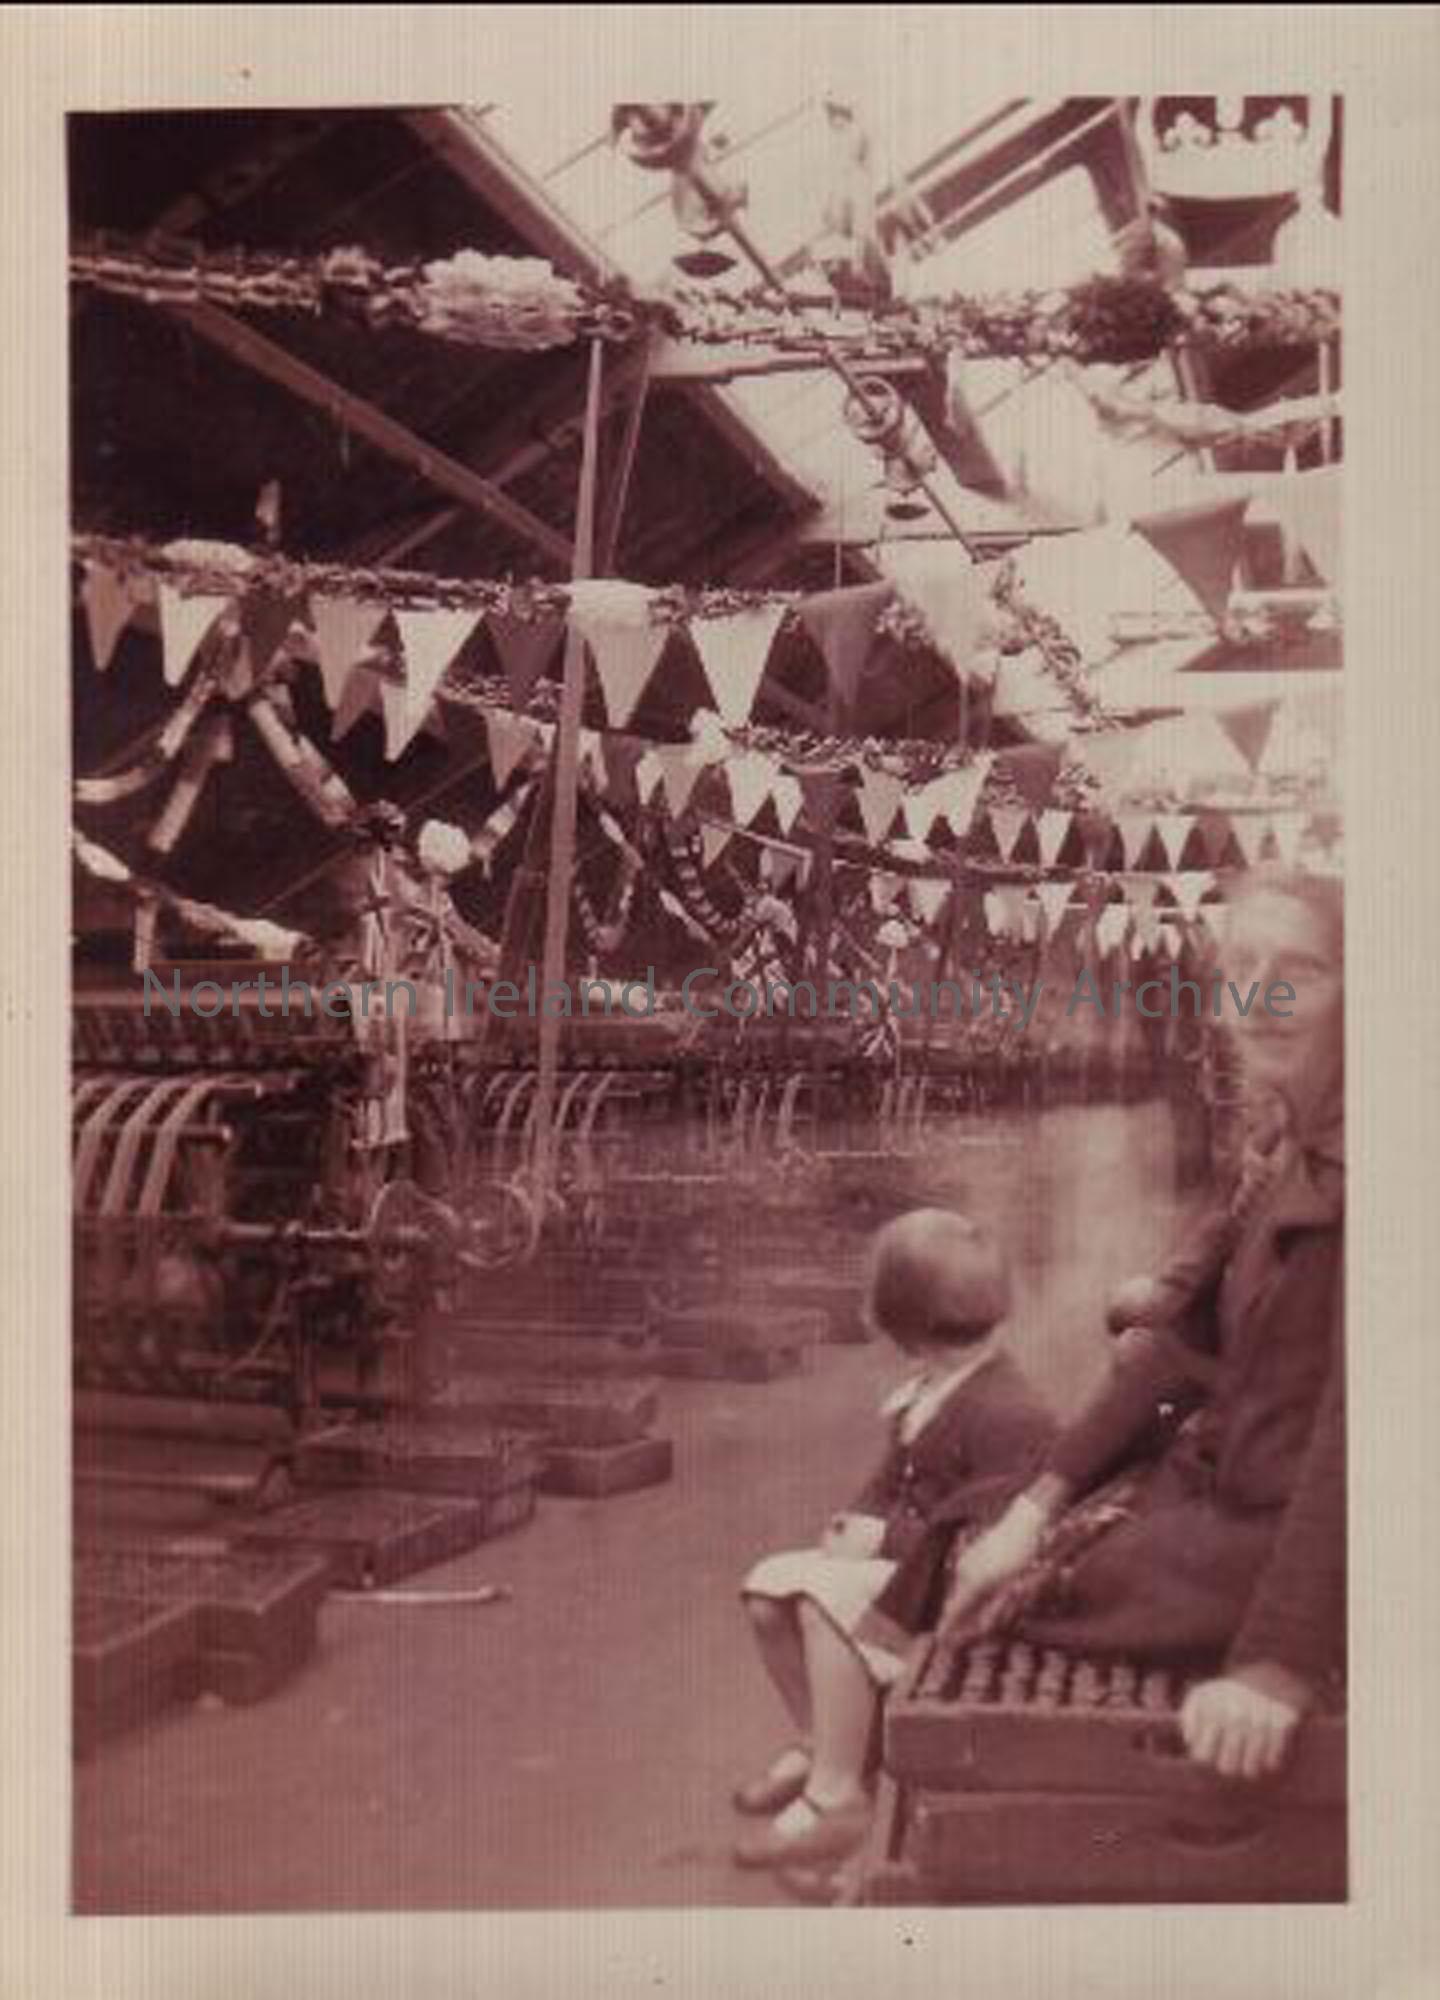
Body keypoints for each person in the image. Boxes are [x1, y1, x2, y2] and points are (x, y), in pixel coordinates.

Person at [908, 868, 1345, 1784]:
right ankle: (841, 1777)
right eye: (1243, 968)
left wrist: (1276, 1665)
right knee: (977, 1524)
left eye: (1298, 971)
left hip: (1285, 1554)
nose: (1261, 996)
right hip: (1216, 1503)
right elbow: (1173, 1346)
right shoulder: (1281, 1151)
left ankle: (849, 1779)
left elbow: (1368, 1443)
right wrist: (1038, 1505)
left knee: (954, 1564)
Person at [733, 1209, 1054, 1871]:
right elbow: (888, 1479)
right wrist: (854, 1520)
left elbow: (974, 1538)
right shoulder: (933, 1389)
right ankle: (821, 1741)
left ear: (901, 1326)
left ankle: (837, 1797)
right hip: (908, 1569)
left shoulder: (1009, 1412)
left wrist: (881, 1537)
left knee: (820, 1606)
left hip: (955, 1591)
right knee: (765, 1592)